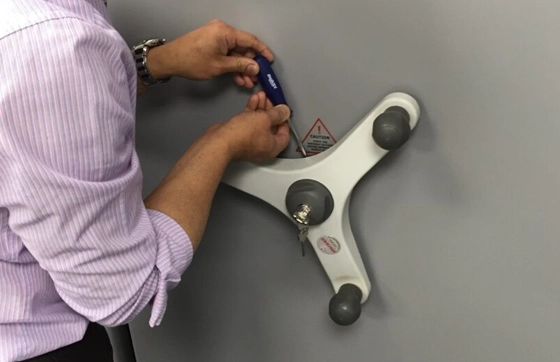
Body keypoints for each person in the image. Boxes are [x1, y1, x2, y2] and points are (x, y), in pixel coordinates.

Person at [0, 0, 291, 361]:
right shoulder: (47, 45)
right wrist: (222, 143)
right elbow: (121, 292)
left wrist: (154, 63)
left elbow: (26, 111)